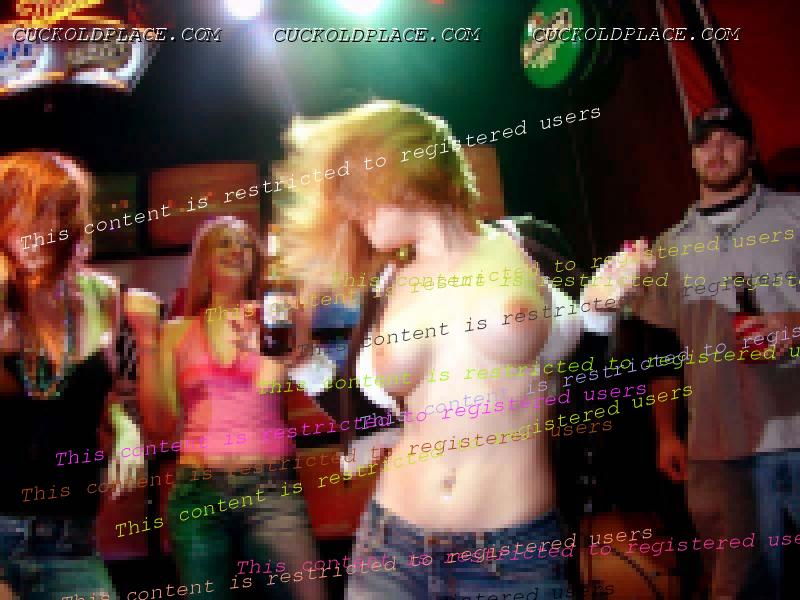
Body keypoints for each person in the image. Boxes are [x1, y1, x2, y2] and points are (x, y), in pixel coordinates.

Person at [275, 100, 604, 599]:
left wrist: (602, 313)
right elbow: (369, 419)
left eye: (360, 192)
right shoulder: (386, 285)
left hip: (513, 557)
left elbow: (590, 380)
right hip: (392, 548)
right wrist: (302, 360)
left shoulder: (529, 245)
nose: (354, 211)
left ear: (405, 172)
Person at [586, 105, 800, 599]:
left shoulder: (794, 216)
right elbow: (663, 350)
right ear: (692, 156)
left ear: (751, 150)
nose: (716, 150)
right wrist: (666, 433)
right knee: (736, 587)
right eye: (704, 141)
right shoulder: (666, 249)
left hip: (795, 430)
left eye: (729, 138)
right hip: (718, 449)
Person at [127, 216, 324, 600]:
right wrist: (147, 340)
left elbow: (271, 382)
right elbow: (159, 426)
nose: (237, 250)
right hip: (196, 493)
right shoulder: (175, 332)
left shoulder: (273, 317)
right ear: (204, 259)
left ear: (256, 260)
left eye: (245, 244)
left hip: (270, 489)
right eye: (225, 243)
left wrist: (299, 313)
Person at [0, 151, 143, 599]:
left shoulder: (102, 295)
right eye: (30, 211)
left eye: (58, 211)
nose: (43, 228)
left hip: (71, 538)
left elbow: (110, 392)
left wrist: (126, 430)